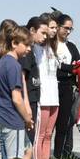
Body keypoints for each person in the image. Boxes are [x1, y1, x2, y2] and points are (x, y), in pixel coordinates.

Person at [0, 26, 34, 159]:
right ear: (15, 43)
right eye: (27, 45)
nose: (29, 49)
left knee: (27, 150)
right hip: (12, 118)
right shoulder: (14, 66)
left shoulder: (3, 62)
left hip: (5, 116)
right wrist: (27, 118)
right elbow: (17, 98)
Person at [31, 15, 59, 159]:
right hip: (43, 97)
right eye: (51, 27)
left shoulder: (52, 48)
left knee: (49, 135)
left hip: (54, 96)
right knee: (39, 136)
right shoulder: (35, 47)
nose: (53, 31)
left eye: (56, 27)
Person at [53, 13, 80, 159]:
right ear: (57, 26)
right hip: (52, 86)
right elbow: (52, 68)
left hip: (67, 87)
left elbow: (78, 66)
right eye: (66, 28)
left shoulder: (71, 46)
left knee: (63, 124)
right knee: (48, 126)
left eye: (71, 29)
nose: (68, 31)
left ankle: (60, 154)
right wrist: (69, 68)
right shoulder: (50, 45)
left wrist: (68, 68)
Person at [20, 16, 48, 145]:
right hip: (29, 100)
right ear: (32, 30)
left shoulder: (33, 50)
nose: (45, 37)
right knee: (29, 140)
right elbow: (22, 77)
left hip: (34, 98)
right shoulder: (27, 51)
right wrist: (26, 103)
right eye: (42, 33)